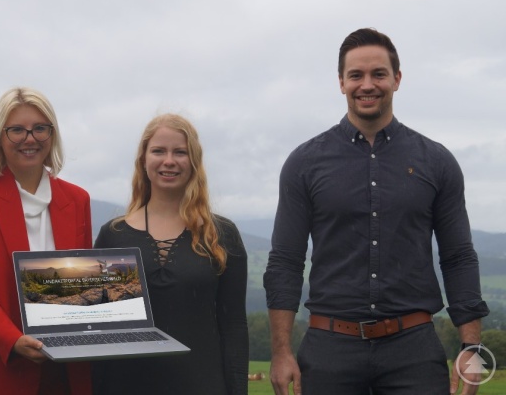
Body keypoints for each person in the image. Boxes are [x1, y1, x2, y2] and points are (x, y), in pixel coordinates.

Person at [264, 28, 490, 395]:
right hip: (328, 351)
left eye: (378, 74)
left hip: (414, 351)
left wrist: (472, 349)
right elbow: (285, 262)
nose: (367, 84)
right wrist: (281, 352)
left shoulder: (437, 162)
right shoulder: (304, 163)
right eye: (356, 75)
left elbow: (459, 257)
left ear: (397, 79)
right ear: (341, 82)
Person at [0, 87, 92, 395]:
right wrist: (12, 339)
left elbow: (82, 283)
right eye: (17, 130)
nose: (30, 138)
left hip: (63, 371)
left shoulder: (77, 200)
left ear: (52, 135)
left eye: (40, 128)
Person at [92, 113, 249, 395]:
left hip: (202, 385)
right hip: (124, 385)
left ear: (194, 162)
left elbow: (234, 325)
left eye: (180, 152)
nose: (169, 161)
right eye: (158, 151)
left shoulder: (222, 235)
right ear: (143, 159)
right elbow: (99, 327)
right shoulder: (112, 235)